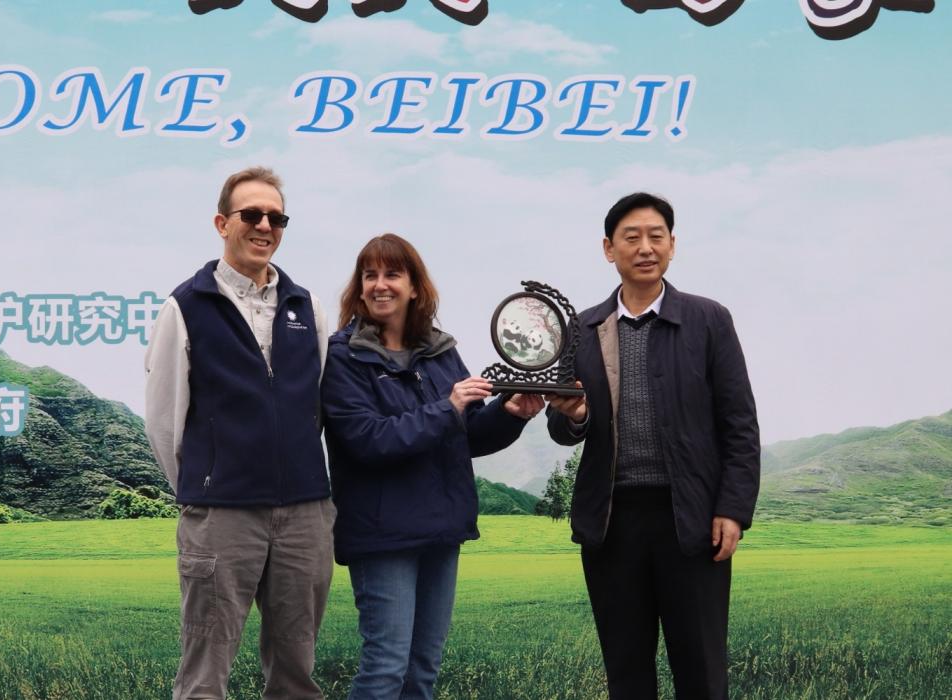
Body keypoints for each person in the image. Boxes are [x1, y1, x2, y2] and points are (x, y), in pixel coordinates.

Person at [546, 192, 760, 699]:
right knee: (626, 671)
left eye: (655, 236)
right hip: (612, 522)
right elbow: (561, 428)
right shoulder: (582, 328)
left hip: (692, 518)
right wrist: (574, 417)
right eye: (631, 237)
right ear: (608, 248)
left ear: (672, 246)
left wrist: (732, 508)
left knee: (702, 670)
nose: (645, 247)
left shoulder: (709, 320)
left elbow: (740, 423)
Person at [320, 233, 543, 699]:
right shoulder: (343, 356)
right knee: (385, 667)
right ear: (359, 288)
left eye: (392, 274)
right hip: (383, 535)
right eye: (370, 275)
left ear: (415, 287)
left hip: (441, 530)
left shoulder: (441, 350)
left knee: (423, 669)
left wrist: (510, 414)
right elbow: (367, 439)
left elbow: (464, 434)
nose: (381, 285)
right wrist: (449, 406)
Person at [143, 166, 335, 700]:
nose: (264, 225)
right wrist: (208, 487)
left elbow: (315, 407)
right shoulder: (185, 307)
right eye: (251, 214)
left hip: (305, 513)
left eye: (277, 217)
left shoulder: (308, 307)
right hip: (223, 515)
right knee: (206, 668)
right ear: (222, 223)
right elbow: (163, 421)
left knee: (297, 669)